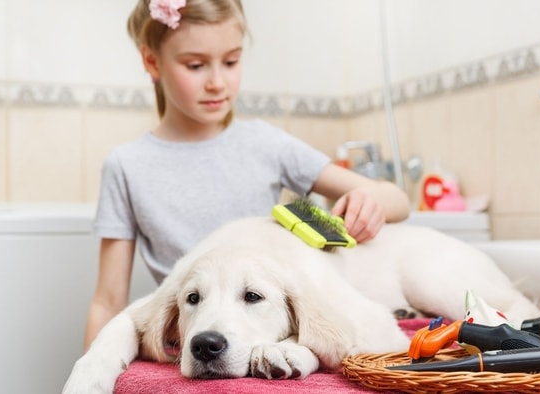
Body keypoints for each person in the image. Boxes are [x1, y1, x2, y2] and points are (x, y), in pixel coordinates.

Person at [83, 0, 410, 350]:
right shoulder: (127, 165)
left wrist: (370, 202)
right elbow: (107, 301)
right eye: (196, 65)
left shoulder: (266, 145)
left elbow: (399, 201)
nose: (217, 82)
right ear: (152, 61)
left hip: (262, 335)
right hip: (201, 340)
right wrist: (90, 366)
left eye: (231, 61)